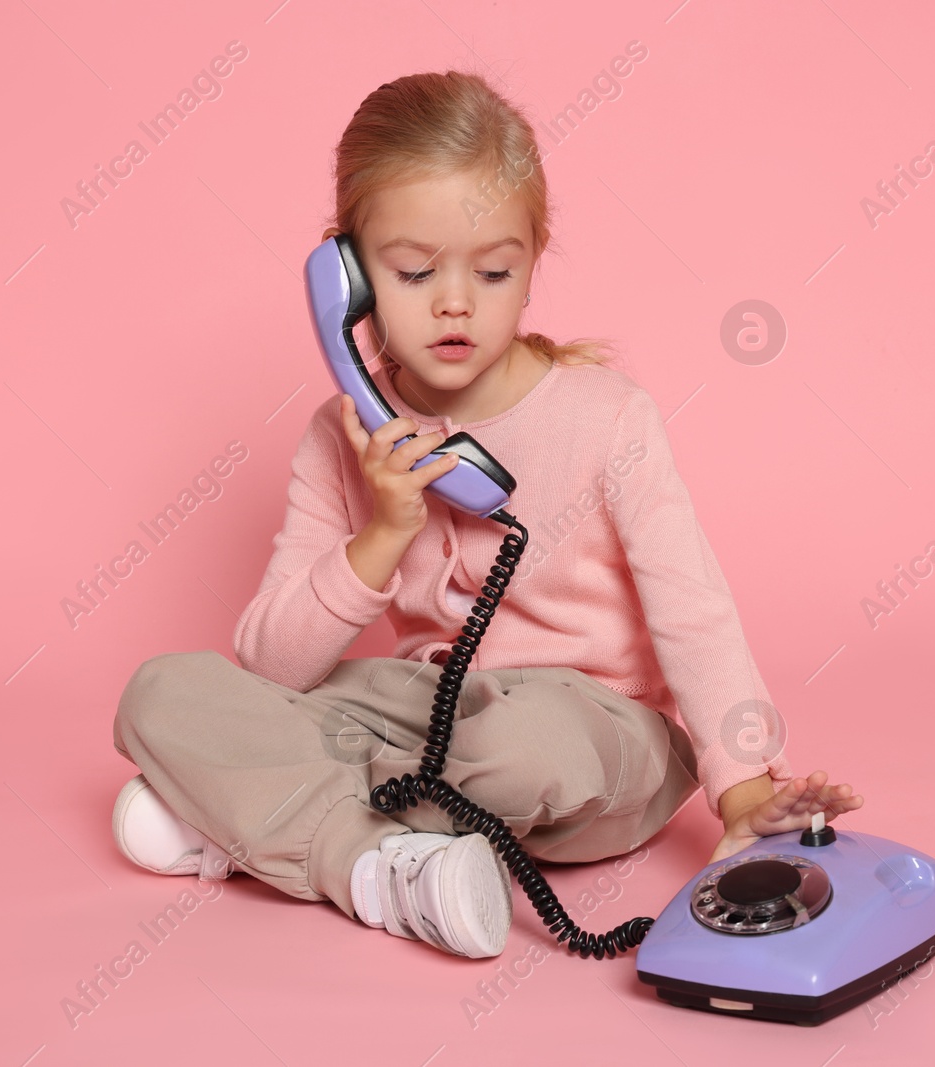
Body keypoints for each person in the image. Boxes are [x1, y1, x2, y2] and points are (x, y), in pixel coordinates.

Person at [109, 70, 862, 960]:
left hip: (596, 732)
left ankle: (261, 821)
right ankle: (376, 865)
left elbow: (692, 608)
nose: (456, 301)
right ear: (343, 277)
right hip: (427, 707)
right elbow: (272, 664)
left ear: (536, 261)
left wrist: (740, 784)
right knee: (165, 689)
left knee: (523, 747)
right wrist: (382, 534)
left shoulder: (608, 417)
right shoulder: (341, 433)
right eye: (416, 271)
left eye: (495, 269)